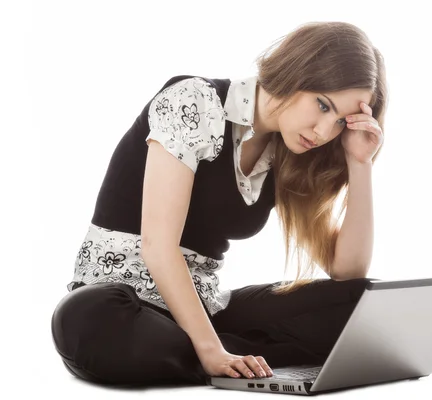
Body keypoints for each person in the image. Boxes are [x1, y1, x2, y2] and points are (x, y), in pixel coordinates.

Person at [50, 21, 388, 387]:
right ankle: (224, 355)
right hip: (120, 301)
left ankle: (213, 356)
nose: (324, 131)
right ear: (295, 70)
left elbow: (347, 272)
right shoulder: (193, 101)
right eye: (322, 105)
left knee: (362, 304)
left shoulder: (289, 154)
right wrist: (210, 348)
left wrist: (359, 163)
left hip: (205, 307)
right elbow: (157, 247)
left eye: (340, 121)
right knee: (88, 320)